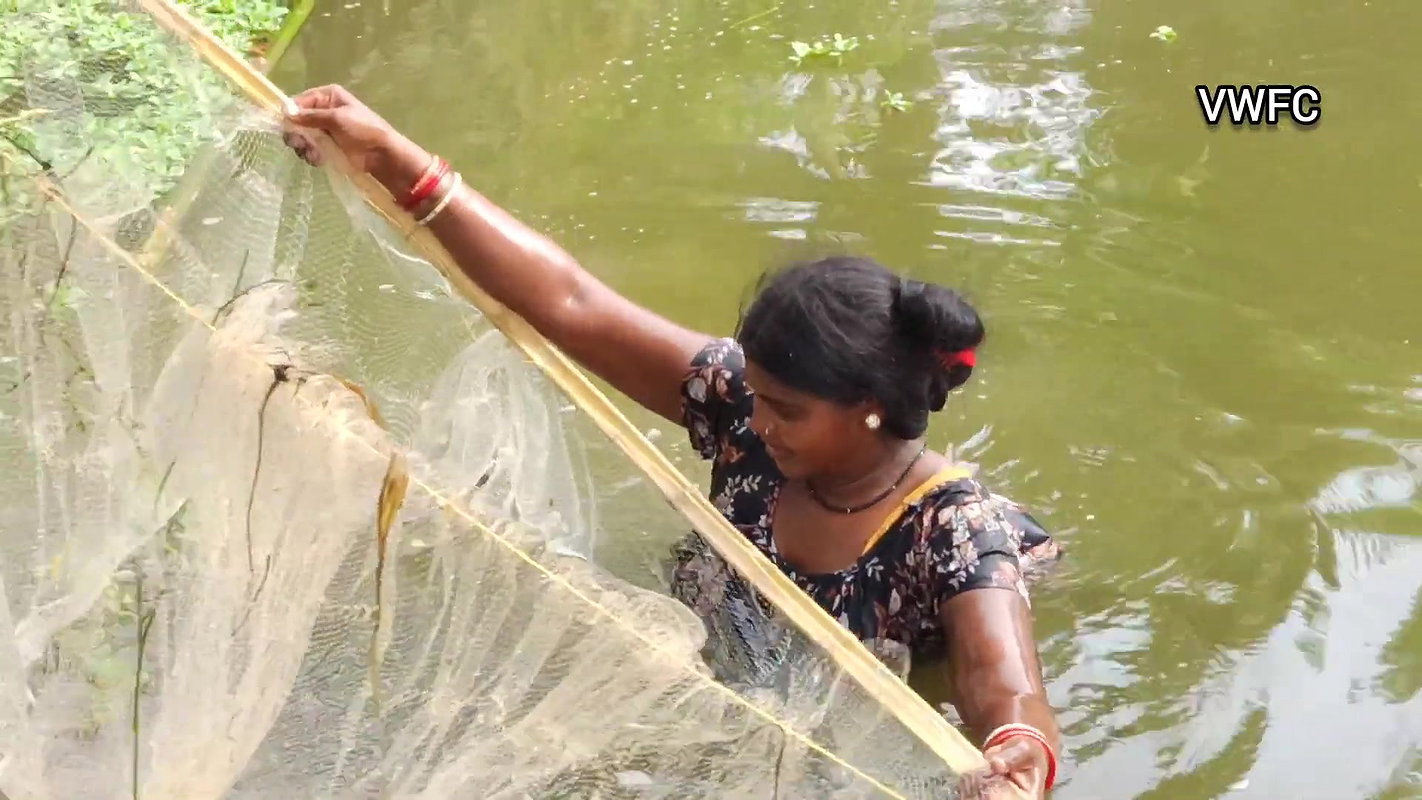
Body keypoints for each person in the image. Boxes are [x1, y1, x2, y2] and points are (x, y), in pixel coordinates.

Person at [283, 84, 1063, 798]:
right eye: (757, 396)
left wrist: (1020, 755)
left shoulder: (954, 533)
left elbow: (1001, 681)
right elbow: (571, 301)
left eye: (786, 410)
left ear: (866, 407)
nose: (757, 424)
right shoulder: (736, 407)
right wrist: (391, 156)